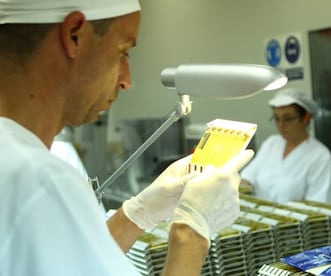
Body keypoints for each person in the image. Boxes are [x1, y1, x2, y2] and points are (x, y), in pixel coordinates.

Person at [0, 1, 254, 276]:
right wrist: (191, 231)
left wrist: (136, 213)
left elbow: (72, 263)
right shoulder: (39, 180)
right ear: (74, 34)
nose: (127, 80)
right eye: (123, 51)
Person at [240, 88, 331, 204]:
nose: (281, 125)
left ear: (305, 118)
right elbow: (247, 178)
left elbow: (318, 205)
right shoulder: (271, 144)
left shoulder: (320, 157)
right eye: (276, 118)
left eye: (288, 119)